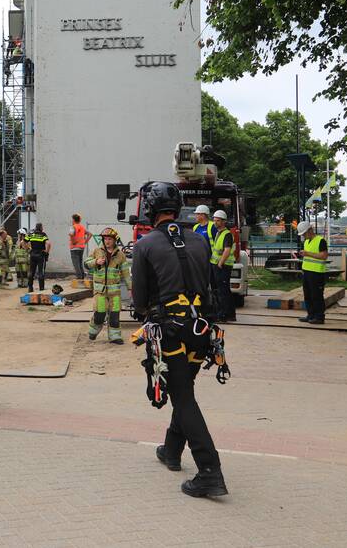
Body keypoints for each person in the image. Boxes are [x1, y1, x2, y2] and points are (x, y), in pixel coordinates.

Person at [132, 181, 228, 498]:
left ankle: (209, 471)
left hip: (170, 331)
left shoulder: (145, 245)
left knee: (183, 397)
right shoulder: (200, 241)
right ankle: (171, 450)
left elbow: (140, 300)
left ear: (149, 208)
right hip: (201, 331)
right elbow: (211, 285)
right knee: (184, 388)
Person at [85, 227, 131, 343]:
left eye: (110, 239)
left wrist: (130, 287)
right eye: (105, 239)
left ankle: (115, 337)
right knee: (100, 314)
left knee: (114, 316)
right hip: (100, 291)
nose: (107, 241)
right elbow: (86, 263)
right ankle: (93, 331)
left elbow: (126, 272)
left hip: (115, 292)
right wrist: (96, 262)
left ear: (115, 240)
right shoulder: (97, 251)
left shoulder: (120, 255)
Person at [297, 221, 328, 324]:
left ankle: (319, 317)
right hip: (307, 272)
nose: (303, 236)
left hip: (317, 273)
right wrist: (303, 254)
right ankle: (311, 315)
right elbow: (309, 256)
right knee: (308, 295)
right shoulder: (306, 242)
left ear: (309, 230)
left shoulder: (321, 241)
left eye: (304, 234)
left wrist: (308, 253)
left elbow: (324, 256)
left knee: (317, 295)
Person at [210, 210, 237, 323]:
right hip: (218, 265)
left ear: (223, 222)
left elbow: (227, 250)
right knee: (223, 291)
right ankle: (230, 314)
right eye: (215, 220)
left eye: (218, 220)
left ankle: (223, 315)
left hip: (223, 266)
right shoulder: (218, 233)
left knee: (223, 292)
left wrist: (220, 263)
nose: (215, 222)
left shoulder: (227, 234)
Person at [25, 223, 51, 292]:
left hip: (32, 255)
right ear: (41, 228)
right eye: (42, 227)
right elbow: (48, 244)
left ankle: (30, 288)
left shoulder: (31, 234)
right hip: (40, 255)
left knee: (31, 272)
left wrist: (28, 249)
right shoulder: (43, 235)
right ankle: (41, 288)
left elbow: (23, 242)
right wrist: (46, 252)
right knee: (40, 272)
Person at [69, 214, 88, 281]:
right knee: (80, 262)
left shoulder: (73, 227)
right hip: (81, 247)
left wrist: (74, 242)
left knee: (75, 263)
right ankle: (82, 275)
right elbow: (90, 234)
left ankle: (79, 277)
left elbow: (71, 234)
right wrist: (85, 242)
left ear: (74, 220)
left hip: (74, 248)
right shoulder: (82, 227)